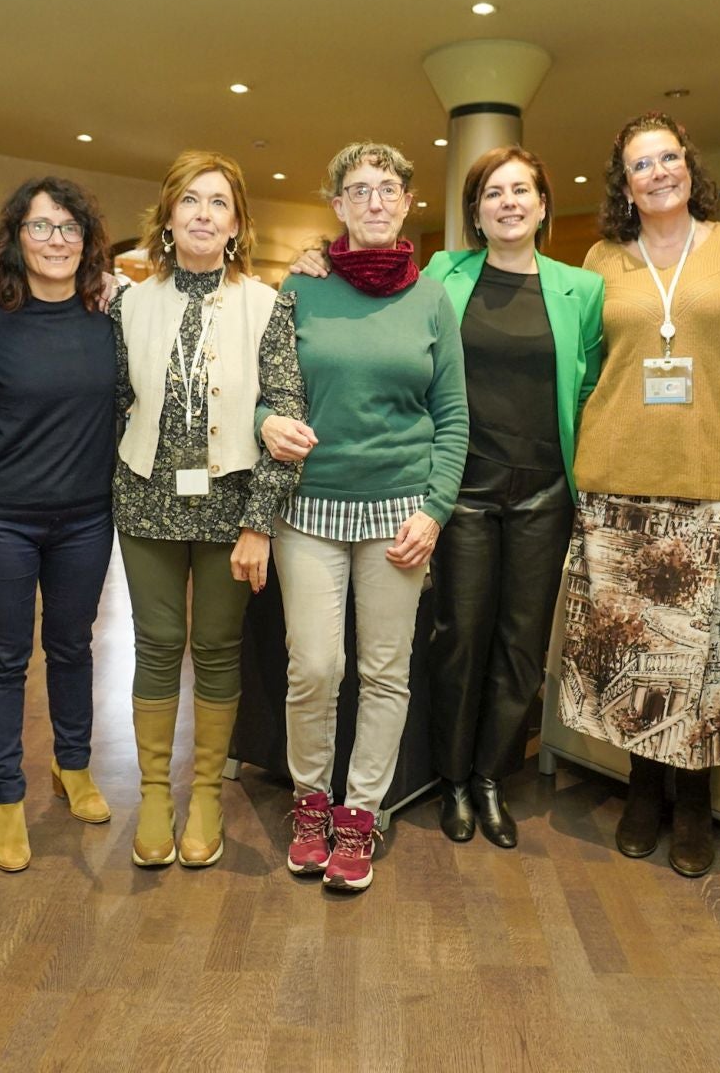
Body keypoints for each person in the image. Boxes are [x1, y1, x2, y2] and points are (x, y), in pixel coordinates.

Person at [287, 146, 604, 848]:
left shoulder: (581, 290)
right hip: (458, 488)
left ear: (544, 205)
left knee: (520, 646)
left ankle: (491, 778)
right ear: (476, 212)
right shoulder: (442, 274)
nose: (510, 203)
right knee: (458, 638)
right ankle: (452, 779)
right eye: (495, 193)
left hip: (543, 488)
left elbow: (588, 388)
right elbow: (363, 267)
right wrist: (314, 253)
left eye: (523, 190)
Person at [558, 111, 720, 878]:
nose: (657, 172)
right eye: (640, 164)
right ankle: (644, 790)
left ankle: (693, 798)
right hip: (620, 488)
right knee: (633, 657)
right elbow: (583, 367)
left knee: (711, 664)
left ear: (690, 167)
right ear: (623, 183)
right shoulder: (601, 259)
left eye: (669, 158)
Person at [264, 141, 468, 892]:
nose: (375, 201)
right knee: (316, 666)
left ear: (407, 202)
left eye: (388, 188)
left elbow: (452, 416)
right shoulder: (302, 287)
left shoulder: (431, 298)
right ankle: (309, 802)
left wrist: (436, 509)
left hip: (399, 514)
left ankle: (360, 812)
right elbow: (271, 388)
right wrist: (264, 422)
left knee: (386, 673)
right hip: (310, 508)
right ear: (339, 206)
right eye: (359, 190)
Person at [112, 150, 303, 870]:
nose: (202, 214)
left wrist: (260, 521)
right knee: (157, 644)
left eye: (218, 202)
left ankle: (206, 800)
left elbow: (285, 410)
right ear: (167, 217)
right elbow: (113, 405)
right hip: (146, 498)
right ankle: (156, 795)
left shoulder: (267, 302)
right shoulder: (128, 304)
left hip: (232, 506)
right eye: (189, 200)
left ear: (237, 223)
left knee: (219, 649)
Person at [0, 178, 119, 873]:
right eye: (41, 227)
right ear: (15, 238)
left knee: (73, 646)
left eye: (70, 229)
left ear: (87, 241)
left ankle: (73, 766)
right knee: (1, 659)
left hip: (87, 515)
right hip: (1, 518)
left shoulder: (109, 310)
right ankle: (5, 797)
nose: (57, 241)